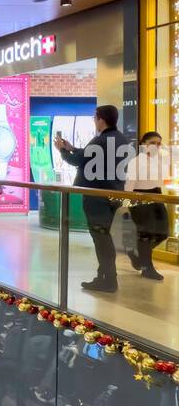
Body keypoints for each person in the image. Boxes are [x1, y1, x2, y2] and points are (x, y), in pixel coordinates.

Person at [55, 105, 131, 294]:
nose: (94, 121)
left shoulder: (100, 140)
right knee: (103, 236)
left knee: (101, 238)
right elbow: (91, 156)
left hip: (97, 197)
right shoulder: (121, 139)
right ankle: (104, 276)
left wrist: (62, 151)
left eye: (94, 118)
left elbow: (78, 161)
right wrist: (72, 148)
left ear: (101, 119)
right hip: (114, 195)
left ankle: (108, 280)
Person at [125, 131, 169, 281]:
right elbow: (129, 185)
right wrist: (126, 204)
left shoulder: (160, 161)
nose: (156, 146)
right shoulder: (136, 162)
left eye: (158, 143)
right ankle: (147, 268)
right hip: (140, 198)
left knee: (163, 233)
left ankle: (137, 255)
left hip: (157, 196)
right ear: (144, 144)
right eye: (153, 143)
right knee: (146, 234)